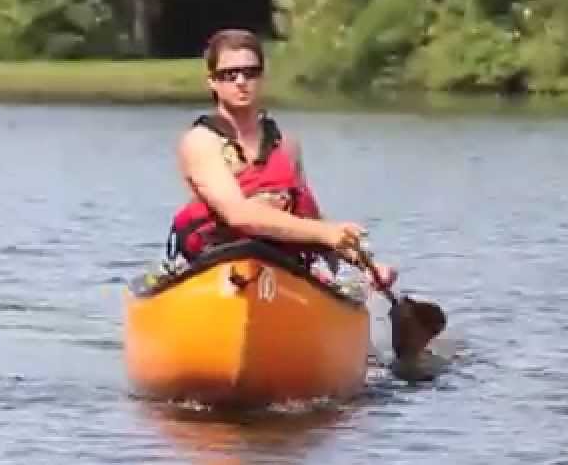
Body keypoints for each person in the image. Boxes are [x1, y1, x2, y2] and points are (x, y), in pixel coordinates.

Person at [163, 28, 396, 289]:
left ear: (262, 78)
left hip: (281, 264)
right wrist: (327, 233)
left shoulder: (286, 144)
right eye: (229, 75)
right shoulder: (200, 142)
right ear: (212, 81)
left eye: (250, 72)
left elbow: (308, 219)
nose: (241, 81)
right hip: (218, 263)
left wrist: (366, 265)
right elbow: (238, 215)